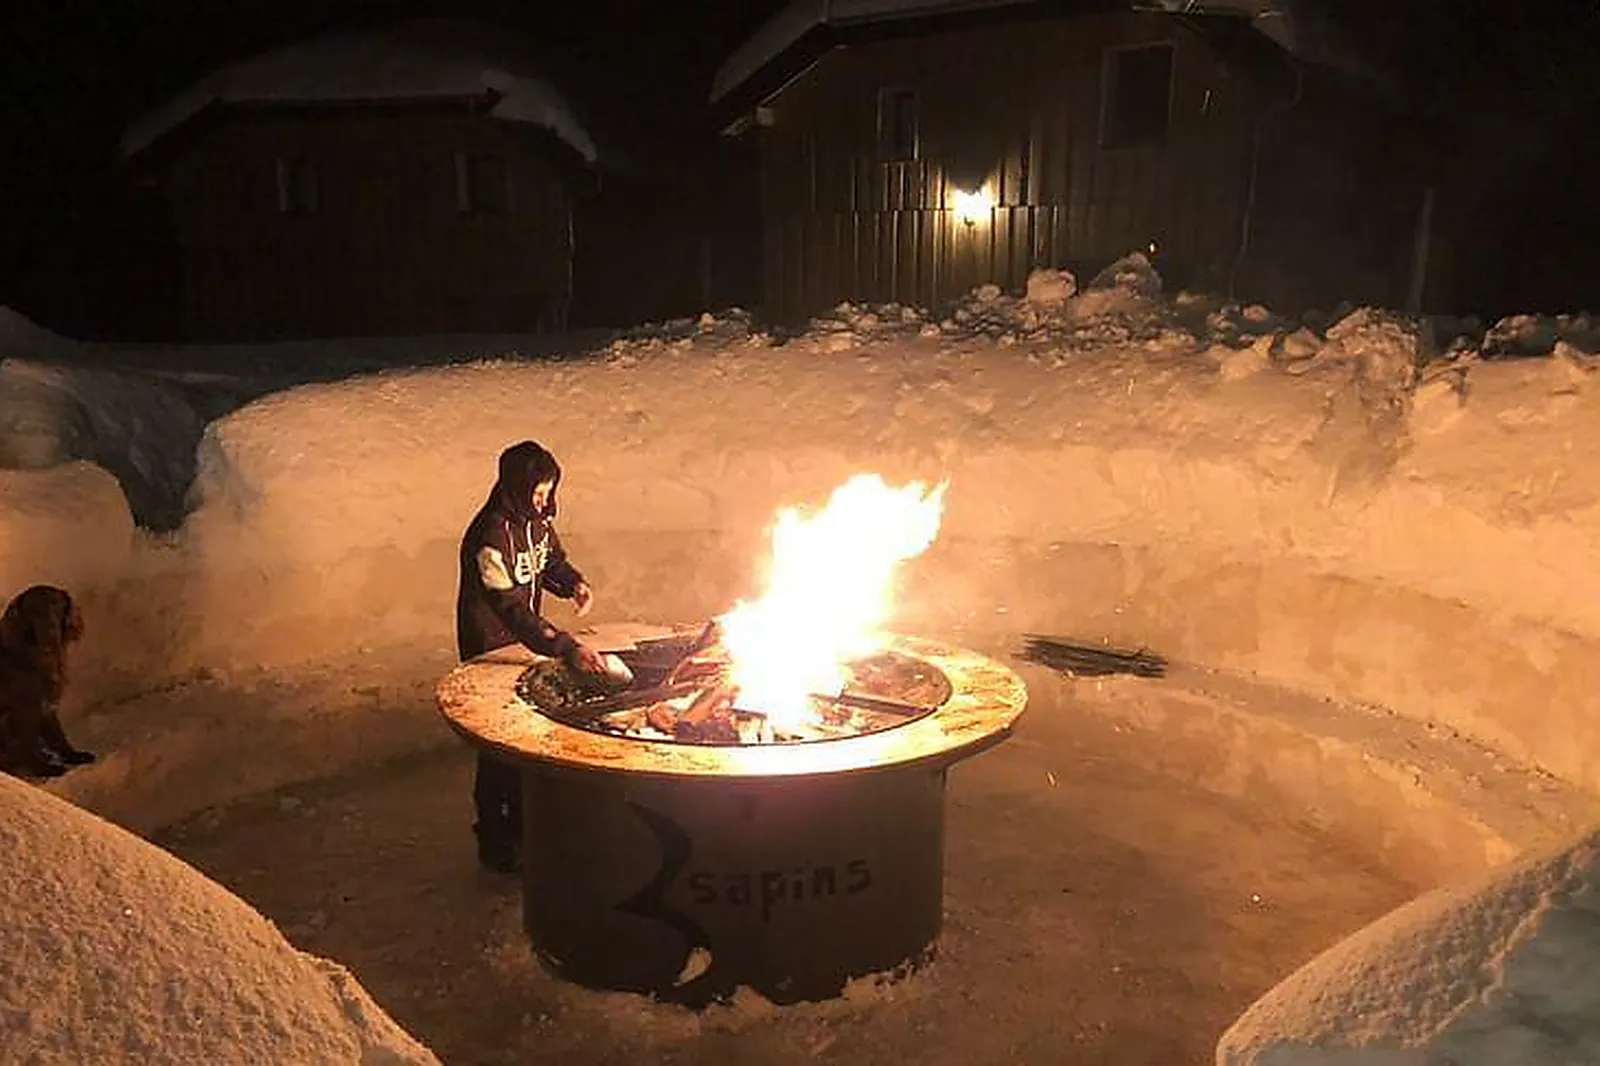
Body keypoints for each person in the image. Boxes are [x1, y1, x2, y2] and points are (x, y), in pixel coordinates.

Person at [456, 440, 606, 874]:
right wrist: (564, 646)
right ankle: (493, 836)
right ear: (517, 488)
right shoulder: (489, 537)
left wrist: (572, 583)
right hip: (490, 647)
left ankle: (524, 825)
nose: (543, 502)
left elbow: (550, 560)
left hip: (523, 644)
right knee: (497, 745)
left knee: (523, 738)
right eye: (537, 493)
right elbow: (511, 609)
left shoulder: (537, 522)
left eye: (548, 493)